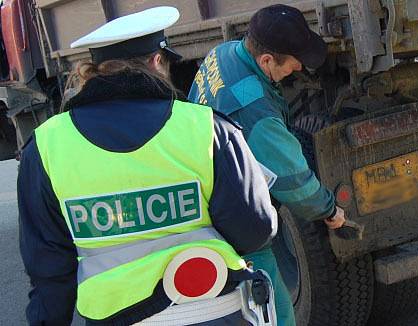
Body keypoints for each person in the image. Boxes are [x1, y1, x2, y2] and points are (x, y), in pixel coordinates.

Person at [18, 7, 278, 326]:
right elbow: (256, 230)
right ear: (157, 62)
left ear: (95, 71)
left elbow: (49, 269)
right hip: (214, 312)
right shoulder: (206, 129)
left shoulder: (47, 146)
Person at [188, 4, 346, 325]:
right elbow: (293, 181)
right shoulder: (253, 109)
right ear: (266, 61)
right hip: (232, 216)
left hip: (205, 190)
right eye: (292, 64)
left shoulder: (225, 52)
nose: (298, 69)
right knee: (274, 308)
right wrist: (329, 210)